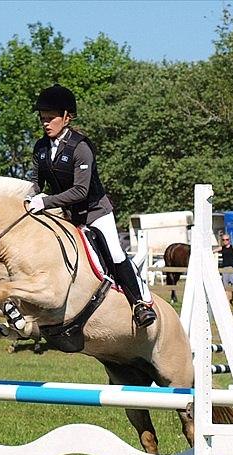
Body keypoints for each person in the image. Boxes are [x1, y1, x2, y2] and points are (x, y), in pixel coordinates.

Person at [29, 84, 156, 327]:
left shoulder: (81, 147)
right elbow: (36, 182)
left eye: (51, 118)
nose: (46, 123)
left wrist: (43, 202)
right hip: (65, 213)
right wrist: (27, 197)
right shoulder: (41, 147)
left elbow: (80, 191)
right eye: (42, 118)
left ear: (67, 117)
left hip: (95, 212)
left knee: (115, 253)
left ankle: (140, 303)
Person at [217, 234, 233, 307]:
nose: (225, 241)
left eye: (227, 239)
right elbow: (212, 251)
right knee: (225, 286)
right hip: (224, 269)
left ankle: (232, 299)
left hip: (232, 268)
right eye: (223, 240)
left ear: (229, 240)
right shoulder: (221, 248)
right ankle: (227, 302)